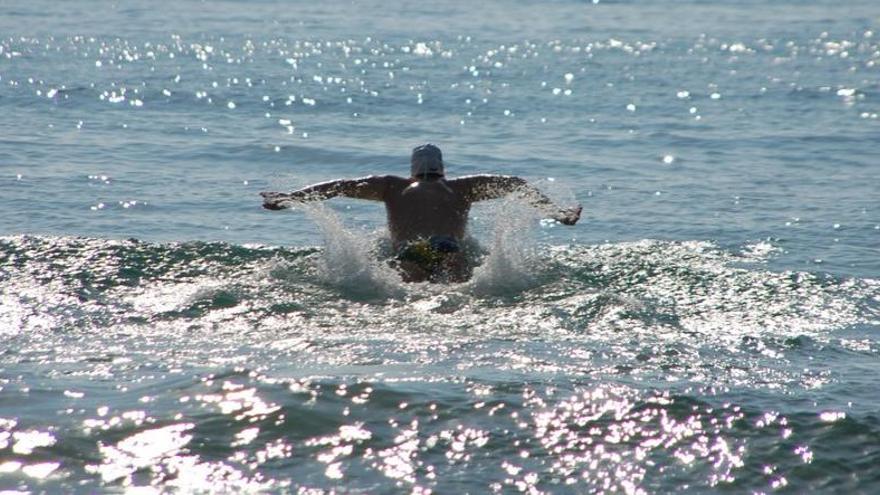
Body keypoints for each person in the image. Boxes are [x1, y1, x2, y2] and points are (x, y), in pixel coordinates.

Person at [261, 144, 581, 282]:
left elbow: (339, 186)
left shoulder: (390, 186)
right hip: (450, 249)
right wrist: (557, 212)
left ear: (412, 169)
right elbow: (515, 185)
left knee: (411, 299)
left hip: (410, 252)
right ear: (443, 168)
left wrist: (291, 198)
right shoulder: (462, 188)